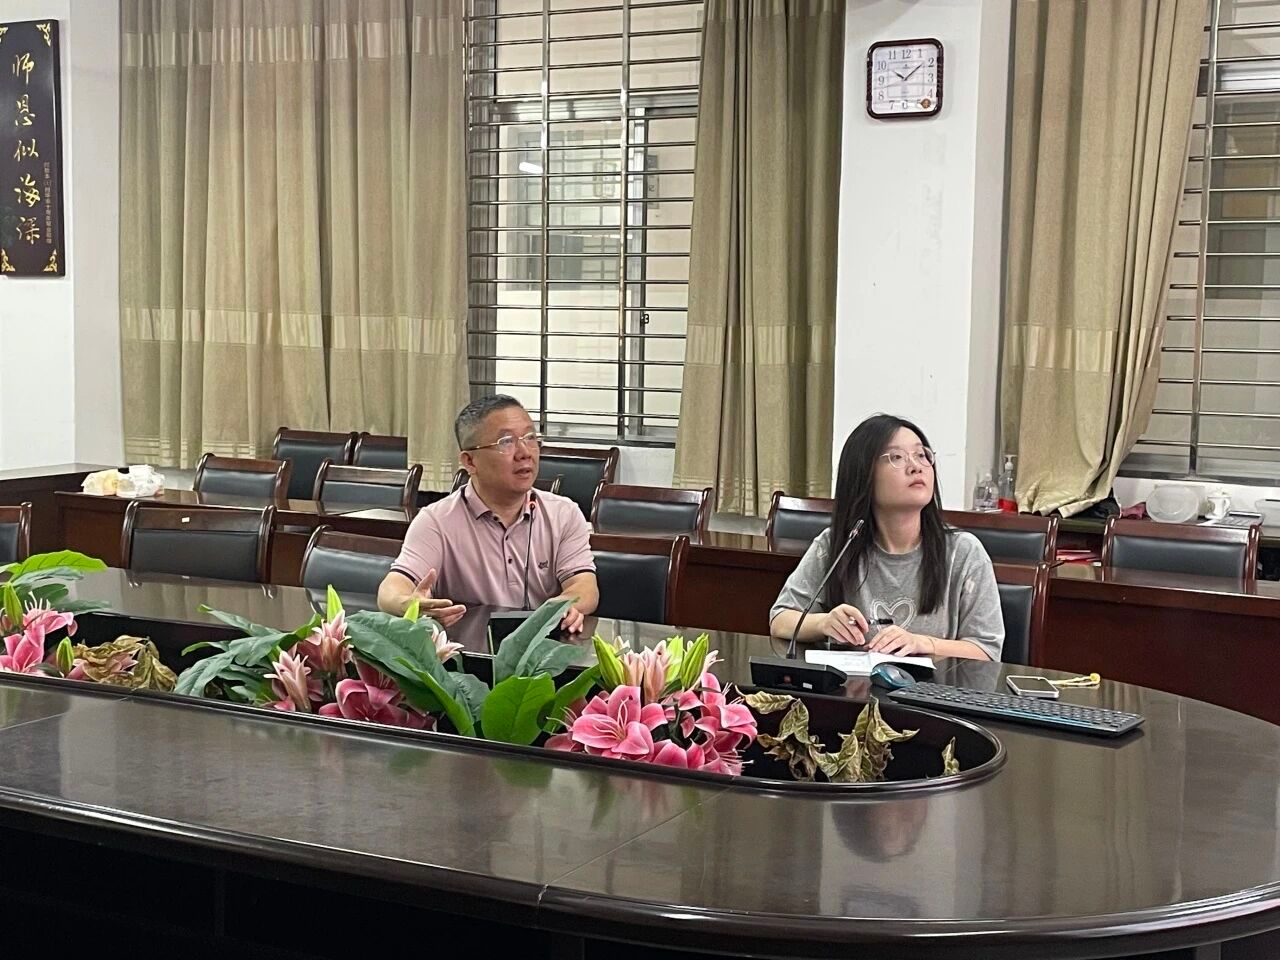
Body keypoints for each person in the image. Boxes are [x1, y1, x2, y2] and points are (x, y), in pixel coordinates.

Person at [769, 414, 1002, 660]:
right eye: (897, 457)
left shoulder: (963, 552)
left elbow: (987, 649)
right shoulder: (838, 544)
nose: (916, 466)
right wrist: (823, 623)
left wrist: (923, 643)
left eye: (921, 455)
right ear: (863, 475)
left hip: (931, 684)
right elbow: (780, 620)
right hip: (853, 683)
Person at [377, 395, 599, 632]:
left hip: (543, 649)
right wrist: (409, 603)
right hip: (466, 651)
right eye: (506, 442)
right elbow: (391, 589)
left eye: (530, 437)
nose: (524, 452)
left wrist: (562, 605)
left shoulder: (563, 514)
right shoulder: (436, 521)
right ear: (470, 462)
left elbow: (585, 586)